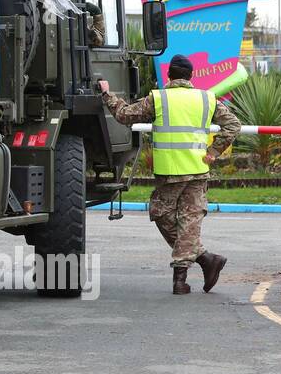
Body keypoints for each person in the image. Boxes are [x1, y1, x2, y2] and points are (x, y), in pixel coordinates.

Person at [99, 54, 241, 295]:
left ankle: (182, 279)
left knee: (163, 215)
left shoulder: (159, 98)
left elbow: (124, 115)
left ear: (169, 76)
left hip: (170, 172)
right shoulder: (207, 98)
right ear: (191, 76)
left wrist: (107, 93)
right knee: (190, 223)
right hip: (198, 170)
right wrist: (214, 151)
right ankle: (204, 259)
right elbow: (234, 125)